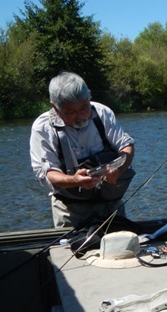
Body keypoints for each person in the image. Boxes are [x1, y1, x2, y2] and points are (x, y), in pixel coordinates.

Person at [30, 72, 135, 228]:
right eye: (70, 112)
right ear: (54, 107)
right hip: (71, 213)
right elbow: (47, 174)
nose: (80, 116)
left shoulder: (103, 113)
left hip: (111, 207)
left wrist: (118, 172)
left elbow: (127, 147)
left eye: (84, 108)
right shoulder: (43, 128)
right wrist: (74, 181)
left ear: (89, 97)